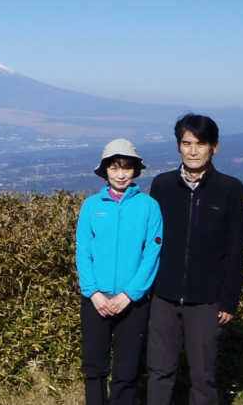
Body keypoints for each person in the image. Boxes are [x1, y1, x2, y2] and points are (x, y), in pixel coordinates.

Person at [146, 114, 243, 405]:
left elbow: (236, 248)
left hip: (207, 300)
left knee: (204, 376)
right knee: (158, 371)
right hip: (163, 296)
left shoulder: (230, 189)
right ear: (178, 146)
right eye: (186, 143)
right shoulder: (162, 185)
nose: (192, 150)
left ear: (214, 147)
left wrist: (229, 299)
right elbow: (151, 241)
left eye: (200, 144)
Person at [75, 138, 163, 405]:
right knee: (94, 369)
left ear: (136, 170)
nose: (121, 173)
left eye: (126, 167)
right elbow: (83, 252)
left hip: (133, 302)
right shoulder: (91, 206)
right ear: (105, 171)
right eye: (114, 167)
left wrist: (130, 294)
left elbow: (152, 253)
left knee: (126, 372)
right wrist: (94, 293)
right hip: (95, 301)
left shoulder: (149, 206)